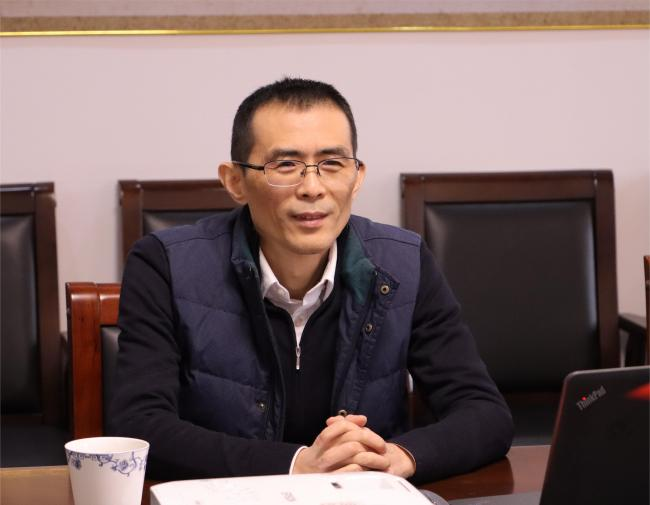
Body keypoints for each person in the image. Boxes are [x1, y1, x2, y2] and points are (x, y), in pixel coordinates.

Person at [109, 77, 513, 484]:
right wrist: (295, 465)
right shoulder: (165, 265)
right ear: (235, 181)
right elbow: (139, 425)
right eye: (286, 165)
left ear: (357, 176)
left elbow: (484, 412)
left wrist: (400, 457)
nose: (313, 188)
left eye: (332, 164)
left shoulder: (404, 263)